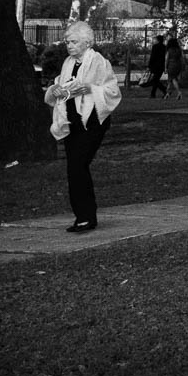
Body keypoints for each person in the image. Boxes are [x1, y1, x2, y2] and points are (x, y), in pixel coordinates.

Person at [44, 21, 123, 233]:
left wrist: (89, 88)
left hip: (93, 122)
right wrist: (58, 90)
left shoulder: (98, 61)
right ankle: (83, 216)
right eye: (67, 42)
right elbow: (63, 85)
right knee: (74, 168)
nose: (69, 45)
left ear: (86, 42)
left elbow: (111, 91)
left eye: (74, 42)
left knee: (78, 165)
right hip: (72, 122)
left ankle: (86, 216)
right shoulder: (68, 62)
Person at [141, 34, 168, 98]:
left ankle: (165, 90)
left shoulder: (155, 47)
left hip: (155, 66)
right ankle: (154, 94)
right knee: (156, 80)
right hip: (161, 66)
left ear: (158, 40)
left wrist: (149, 66)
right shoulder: (164, 47)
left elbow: (152, 57)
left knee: (155, 80)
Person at [164, 28, 185, 100]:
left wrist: (165, 67)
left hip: (171, 65)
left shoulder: (169, 50)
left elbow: (166, 59)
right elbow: (182, 58)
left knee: (173, 79)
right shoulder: (179, 50)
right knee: (170, 80)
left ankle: (179, 92)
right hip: (178, 64)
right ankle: (167, 94)